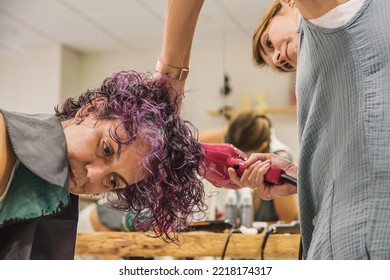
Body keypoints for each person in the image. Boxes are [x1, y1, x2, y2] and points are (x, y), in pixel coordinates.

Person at [160, 0, 390, 259]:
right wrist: (299, 176)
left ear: (287, 3)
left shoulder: (326, 18)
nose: (279, 58)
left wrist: (171, 75)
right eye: (281, 66)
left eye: (269, 43)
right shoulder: (326, 73)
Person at [0, 70, 206, 259]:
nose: (93, 175)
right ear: (90, 110)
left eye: (113, 180)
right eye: (106, 149)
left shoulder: (57, 196)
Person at [199, 110, 298, 223]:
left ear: (262, 147)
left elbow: (288, 219)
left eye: (241, 156)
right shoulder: (232, 147)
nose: (236, 161)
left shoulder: (278, 162)